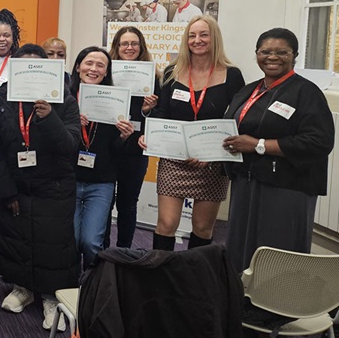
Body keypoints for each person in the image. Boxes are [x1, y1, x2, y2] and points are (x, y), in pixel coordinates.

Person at [223, 28, 334, 271]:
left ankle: (277, 296)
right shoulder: (249, 90)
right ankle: (241, 293)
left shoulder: (306, 92)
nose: (272, 57)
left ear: (294, 55)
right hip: (247, 182)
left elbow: (319, 142)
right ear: (257, 54)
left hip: (287, 187)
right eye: (266, 52)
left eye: (281, 52)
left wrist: (258, 145)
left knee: (277, 253)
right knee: (241, 249)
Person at [0, 43, 80, 332]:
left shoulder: (65, 101)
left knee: (53, 242)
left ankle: (52, 297)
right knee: (16, 237)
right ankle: (23, 288)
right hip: (15, 185)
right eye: (24, 66)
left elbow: (70, 147)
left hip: (54, 186)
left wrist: (49, 117)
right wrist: (6, 190)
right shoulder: (3, 101)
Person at [141, 16, 244, 251]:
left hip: (212, 162)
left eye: (204, 34)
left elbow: (237, 119)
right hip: (174, 159)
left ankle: (195, 273)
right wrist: (151, 132)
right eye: (192, 35)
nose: (197, 40)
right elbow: (163, 113)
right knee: (166, 223)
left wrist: (212, 155)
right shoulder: (173, 72)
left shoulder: (232, 75)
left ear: (214, 38)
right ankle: (161, 271)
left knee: (202, 228)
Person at [70, 47, 134, 270]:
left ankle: (92, 284)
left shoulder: (116, 101)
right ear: (78, 67)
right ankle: (69, 284)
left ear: (106, 72)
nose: (93, 69)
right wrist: (71, 123)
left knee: (91, 243)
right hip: (69, 180)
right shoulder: (66, 100)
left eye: (100, 65)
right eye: (89, 63)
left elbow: (118, 152)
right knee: (71, 240)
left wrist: (124, 137)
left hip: (101, 182)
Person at [103, 26, 159, 249]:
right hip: (108, 147)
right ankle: (102, 251)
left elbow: (159, 117)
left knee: (127, 204)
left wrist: (147, 110)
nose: (129, 48)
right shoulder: (106, 74)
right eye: (124, 43)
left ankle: (124, 252)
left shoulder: (154, 78)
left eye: (134, 43)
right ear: (117, 47)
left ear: (141, 47)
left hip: (135, 150)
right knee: (104, 204)